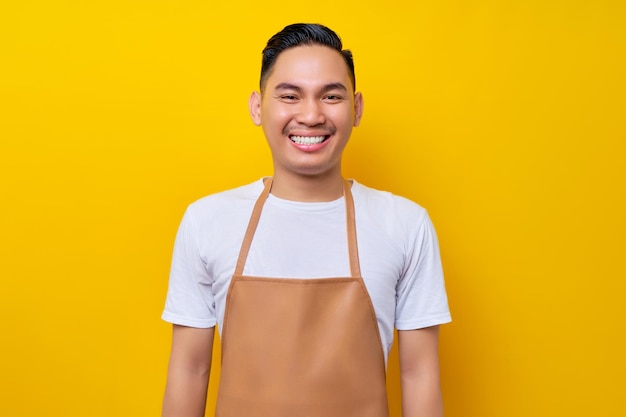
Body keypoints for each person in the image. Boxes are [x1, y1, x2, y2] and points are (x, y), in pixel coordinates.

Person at [161, 23, 451, 417]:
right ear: (258, 108)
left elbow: (419, 374)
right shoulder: (207, 220)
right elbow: (190, 369)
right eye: (290, 96)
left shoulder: (405, 224)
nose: (311, 115)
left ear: (357, 108)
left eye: (331, 96)